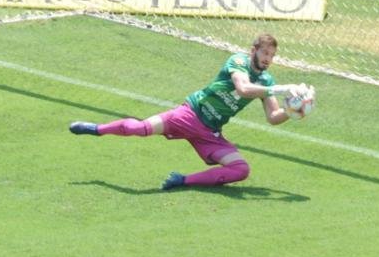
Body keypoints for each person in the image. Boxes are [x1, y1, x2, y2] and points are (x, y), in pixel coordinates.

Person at [68, 34, 309, 190]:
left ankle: (181, 180)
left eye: (272, 56)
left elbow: (272, 118)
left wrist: (291, 111)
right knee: (140, 129)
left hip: (210, 132)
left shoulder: (267, 80)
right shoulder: (238, 62)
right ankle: (96, 129)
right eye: (265, 53)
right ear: (253, 50)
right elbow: (243, 88)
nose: (268, 59)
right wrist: (284, 88)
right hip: (189, 115)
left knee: (240, 170)